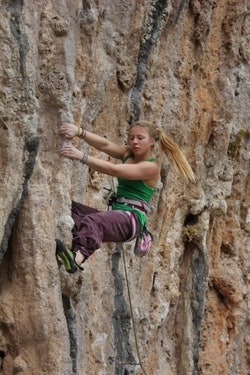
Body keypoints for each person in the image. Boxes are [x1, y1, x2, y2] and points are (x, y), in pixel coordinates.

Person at [55, 120, 195, 273]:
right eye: (131, 137)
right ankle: (70, 249)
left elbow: (114, 170)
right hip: (118, 213)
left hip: (131, 220)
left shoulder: (151, 167)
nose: (134, 142)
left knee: (93, 221)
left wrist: (81, 156)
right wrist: (79, 132)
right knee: (72, 208)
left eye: (140, 138)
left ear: (152, 142)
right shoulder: (128, 153)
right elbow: (105, 145)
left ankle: (77, 258)